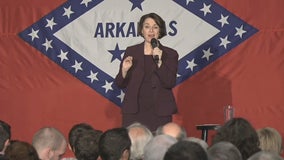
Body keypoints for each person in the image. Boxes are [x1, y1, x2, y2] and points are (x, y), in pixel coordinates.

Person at [114, 12, 179, 131]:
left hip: (159, 112)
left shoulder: (170, 54)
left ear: (160, 31)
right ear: (142, 30)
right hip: (134, 110)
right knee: (134, 147)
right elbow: (120, 84)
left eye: (155, 27)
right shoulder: (131, 51)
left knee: (159, 147)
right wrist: (124, 70)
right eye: (147, 26)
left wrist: (159, 62)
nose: (151, 31)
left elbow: (170, 82)